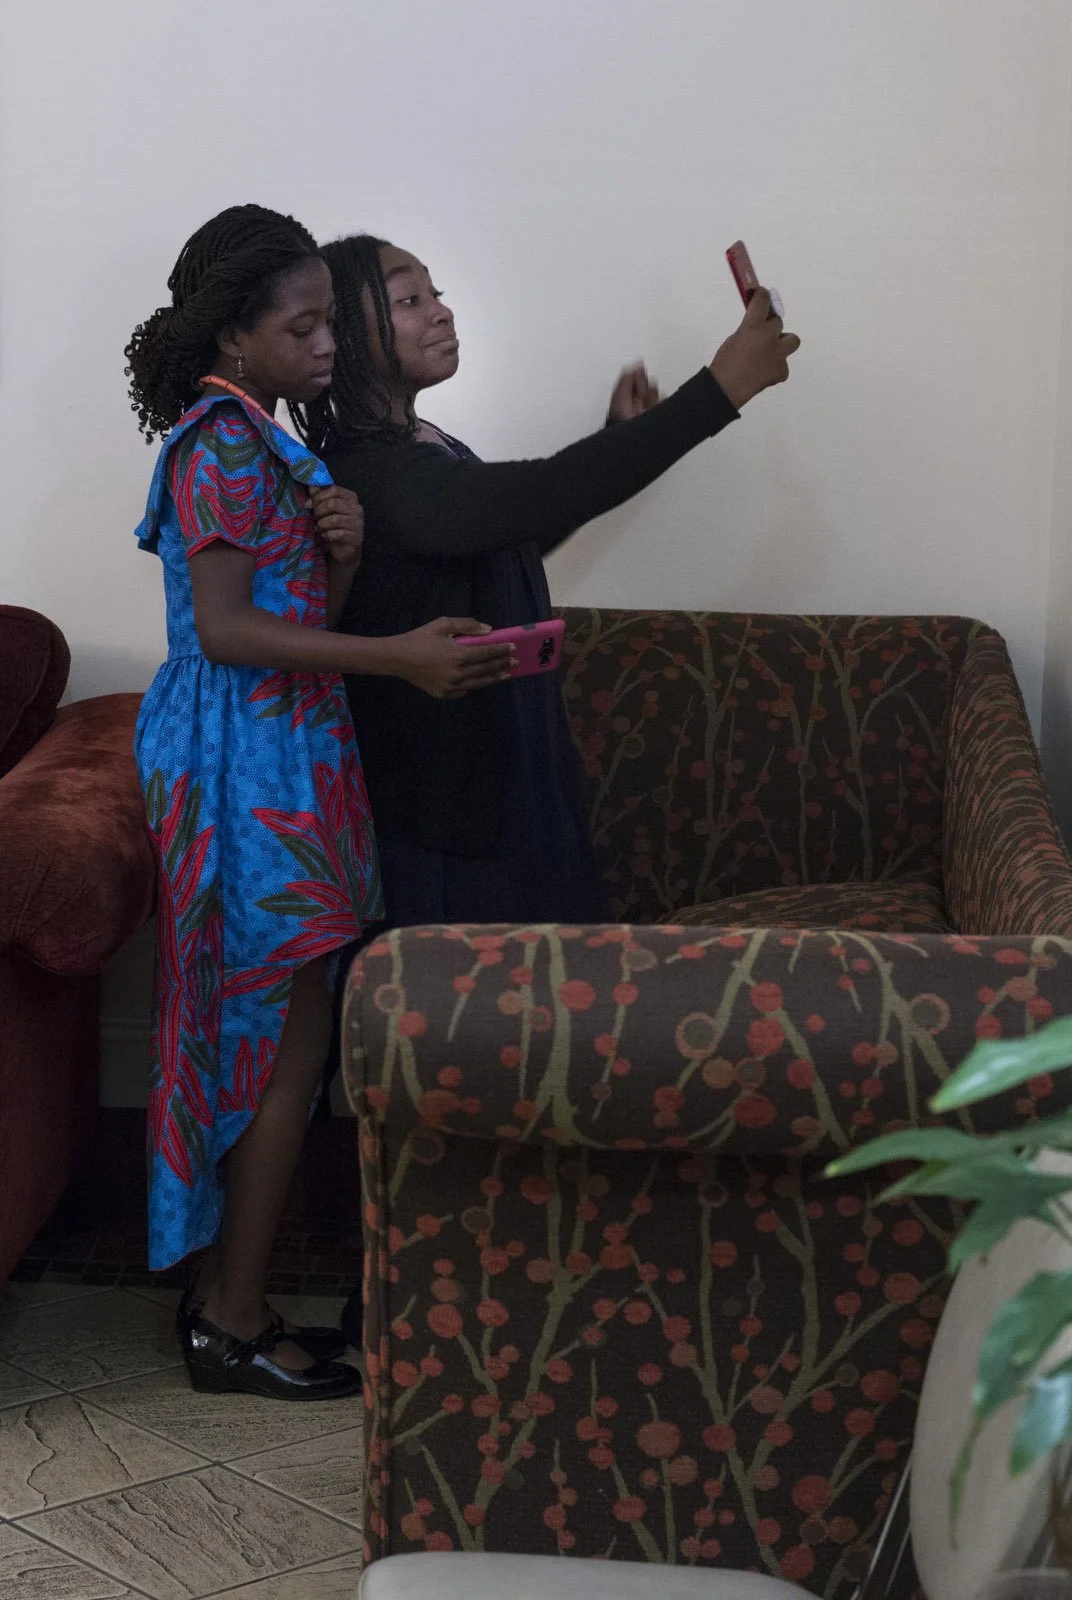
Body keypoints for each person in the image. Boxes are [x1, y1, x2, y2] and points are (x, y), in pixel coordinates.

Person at [125, 205, 513, 1401]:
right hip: (250, 767)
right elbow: (232, 632)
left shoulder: (264, 439)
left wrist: (336, 555)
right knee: (284, 1050)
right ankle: (233, 1321)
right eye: (302, 326)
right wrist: (398, 653)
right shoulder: (223, 443)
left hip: (287, 755)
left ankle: (223, 1299)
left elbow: (289, 610)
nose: (327, 342)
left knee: (277, 1042)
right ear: (236, 337)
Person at [302, 236, 801, 926]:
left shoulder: (419, 446)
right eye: (409, 300)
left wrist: (616, 433)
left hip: (493, 793)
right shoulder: (377, 473)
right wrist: (721, 389)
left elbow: (510, 535)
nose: (441, 312)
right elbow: (542, 494)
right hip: (442, 825)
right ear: (350, 336)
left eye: (436, 292)